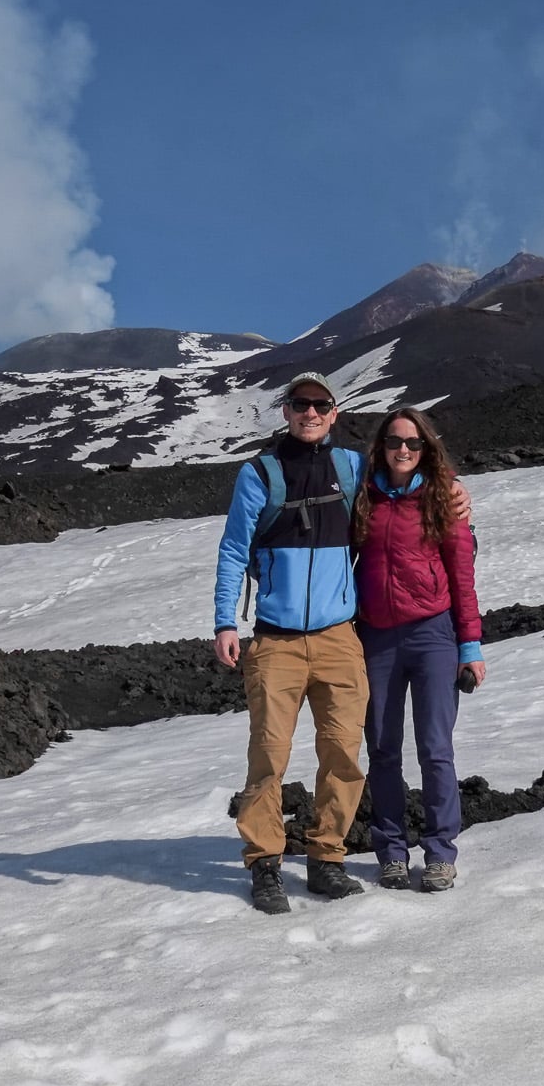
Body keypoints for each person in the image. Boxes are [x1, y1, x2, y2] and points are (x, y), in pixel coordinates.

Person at [214, 373, 368, 914]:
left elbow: (407, 492)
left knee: (342, 752)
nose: (310, 412)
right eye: (300, 404)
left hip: (339, 640)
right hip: (275, 643)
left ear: (334, 411)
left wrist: (455, 496)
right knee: (269, 756)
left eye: (320, 405)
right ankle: (265, 864)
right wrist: (225, 622)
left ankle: (327, 857)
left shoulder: (351, 468)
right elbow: (234, 550)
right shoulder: (259, 473)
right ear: (286, 410)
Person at [351, 406, 485, 893]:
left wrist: (470, 644)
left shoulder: (441, 497)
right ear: (380, 447)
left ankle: (440, 852)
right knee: (383, 749)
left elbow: (462, 575)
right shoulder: (363, 495)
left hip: (433, 634)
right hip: (376, 638)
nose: (402, 450)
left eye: (412, 443)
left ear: (426, 448)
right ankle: (390, 851)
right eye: (394, 442)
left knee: (435, 748)